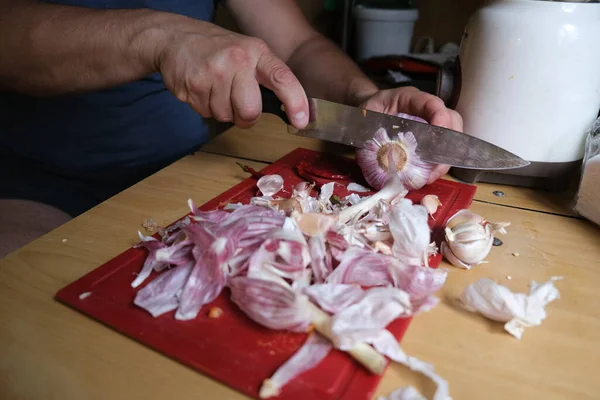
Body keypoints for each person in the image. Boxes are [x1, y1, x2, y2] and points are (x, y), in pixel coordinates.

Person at [0, 0, 462, 258]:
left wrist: (363, 102)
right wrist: (158, 36)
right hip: (33, 183)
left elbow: (298, 45)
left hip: (182, 170)